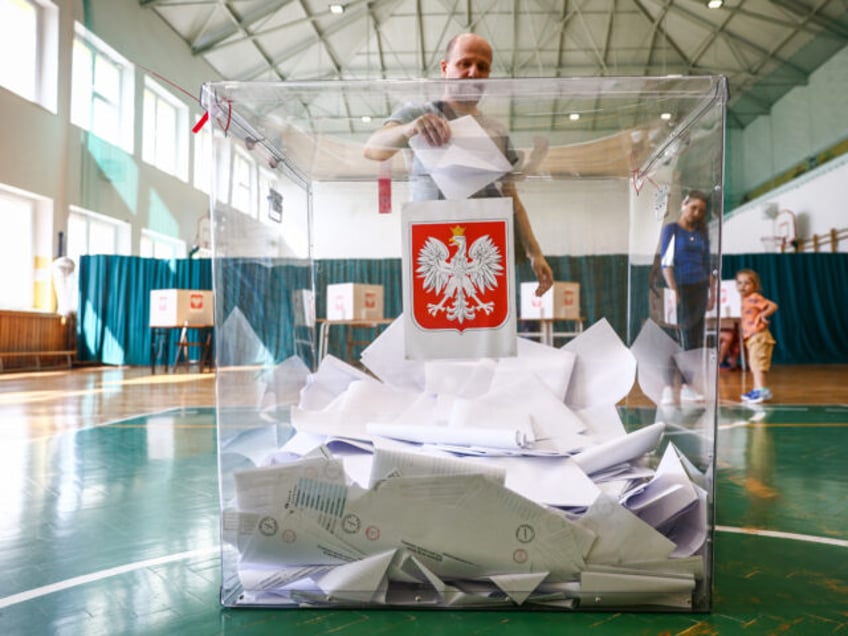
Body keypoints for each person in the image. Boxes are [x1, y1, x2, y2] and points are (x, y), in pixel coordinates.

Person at [363, 33, 553, 297]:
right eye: (465, 63)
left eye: (482, 66)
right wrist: (409, 129)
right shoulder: (418, 114)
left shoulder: (496, 131)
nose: (473, 72)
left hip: (486, 250)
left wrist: (535, 253)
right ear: (445, 68)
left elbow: (511, 198)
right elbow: (373, 149)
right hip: (433, 248)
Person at [659, 190, 716, 405]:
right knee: (676, 337)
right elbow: (667, 263)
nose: (697, 212)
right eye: (694, 207)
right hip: (680, 288)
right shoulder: (671, 230)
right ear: (684, 204)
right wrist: (673, 290)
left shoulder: (702, 234)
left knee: (694, 339)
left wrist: (712, 293)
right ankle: (669, 386)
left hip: (699, 288)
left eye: (701, 210)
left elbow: (708, 265)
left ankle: (686, 386)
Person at [736, 268, 778, 403]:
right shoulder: (743, 299)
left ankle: (761, 390)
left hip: (759, 336)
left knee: (758, 364)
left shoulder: (754, 297)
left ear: (755, 285)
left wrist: (762, 315)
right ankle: (757, 389)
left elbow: (772, 305)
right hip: (751, 337)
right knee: (754, 364)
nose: (742, 286)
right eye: (739, 283)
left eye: (747, 283)